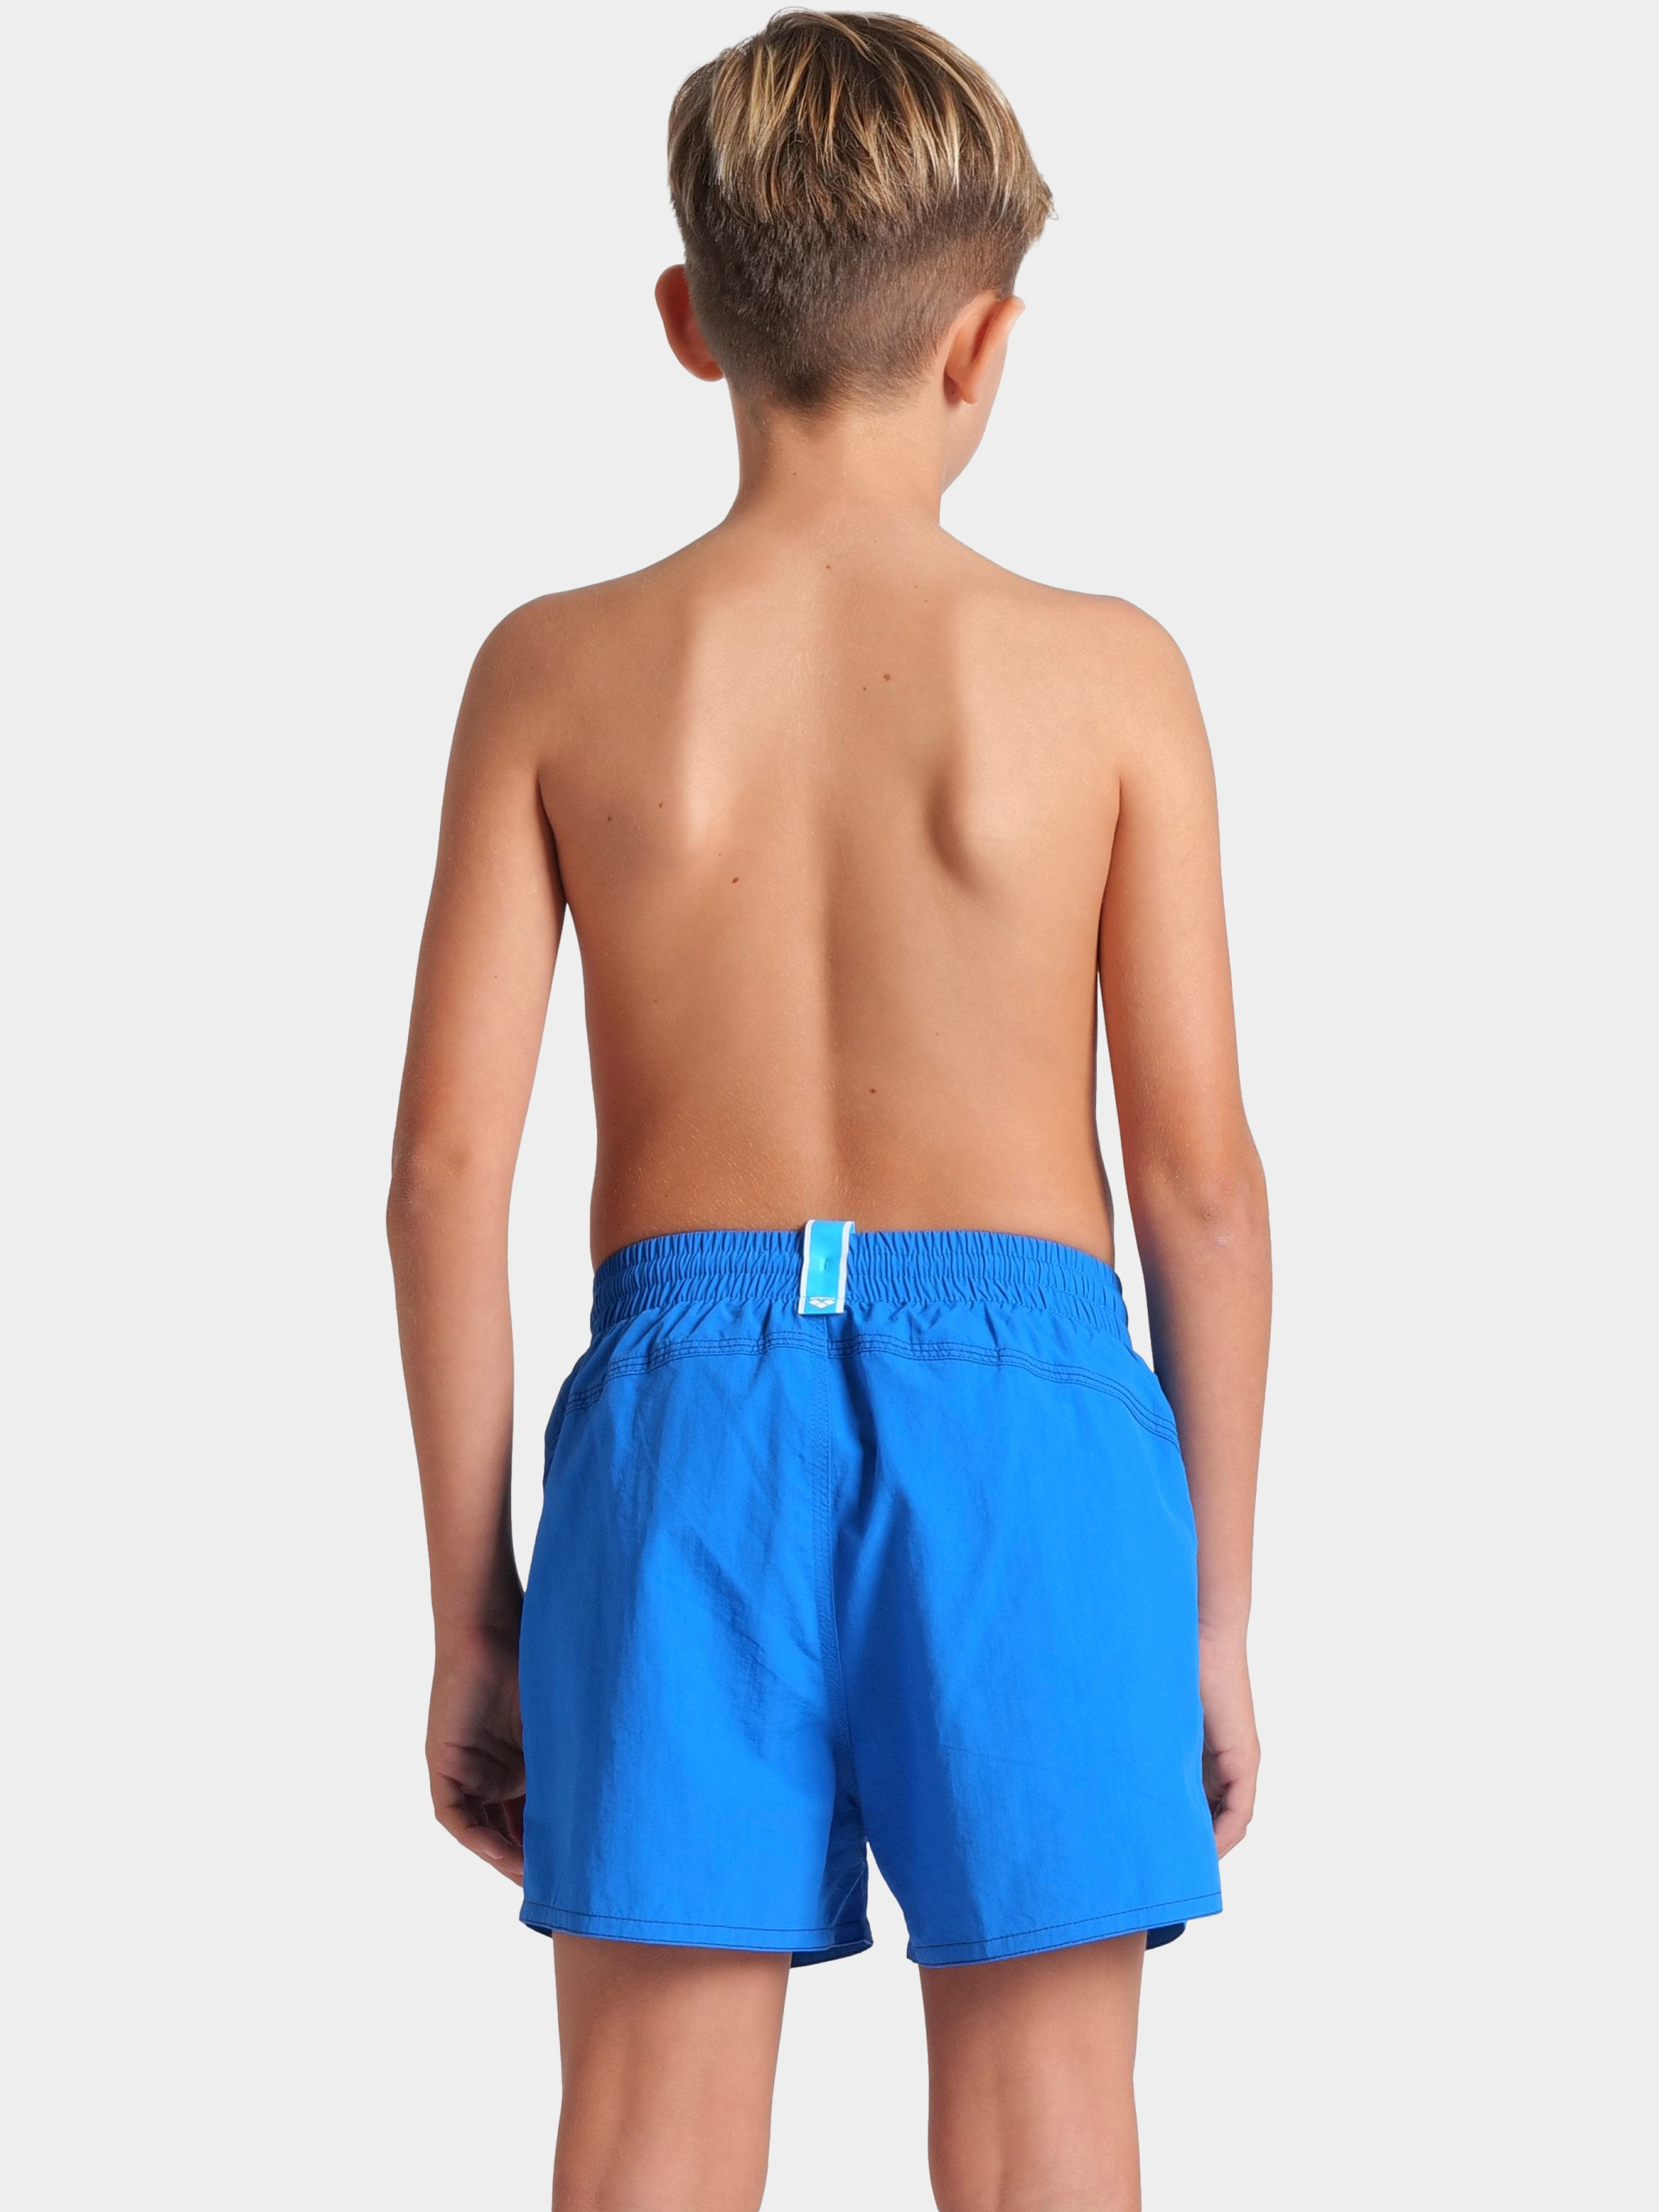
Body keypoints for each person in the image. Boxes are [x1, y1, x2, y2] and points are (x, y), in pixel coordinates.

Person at [388, 12, 1270, 2207]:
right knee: (1052, 2136)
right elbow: (1201, 1188)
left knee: (647, 2139)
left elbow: (443, 1175)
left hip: (686, 1416)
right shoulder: (1109, 674)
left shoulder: (552, 669)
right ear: (984, 344)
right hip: (1033, 1420)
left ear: (688, 319)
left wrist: (476, 1608)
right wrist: (1210, 1609)